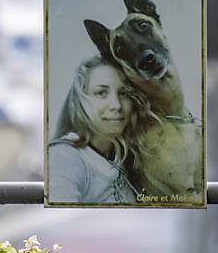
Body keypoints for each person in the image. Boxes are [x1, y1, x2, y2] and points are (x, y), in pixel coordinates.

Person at [48, 56, 145, 204]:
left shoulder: (126, 157)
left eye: (123, 93)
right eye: (101, 93)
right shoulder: (65, 157)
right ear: (81, 101)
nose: (116, 105)